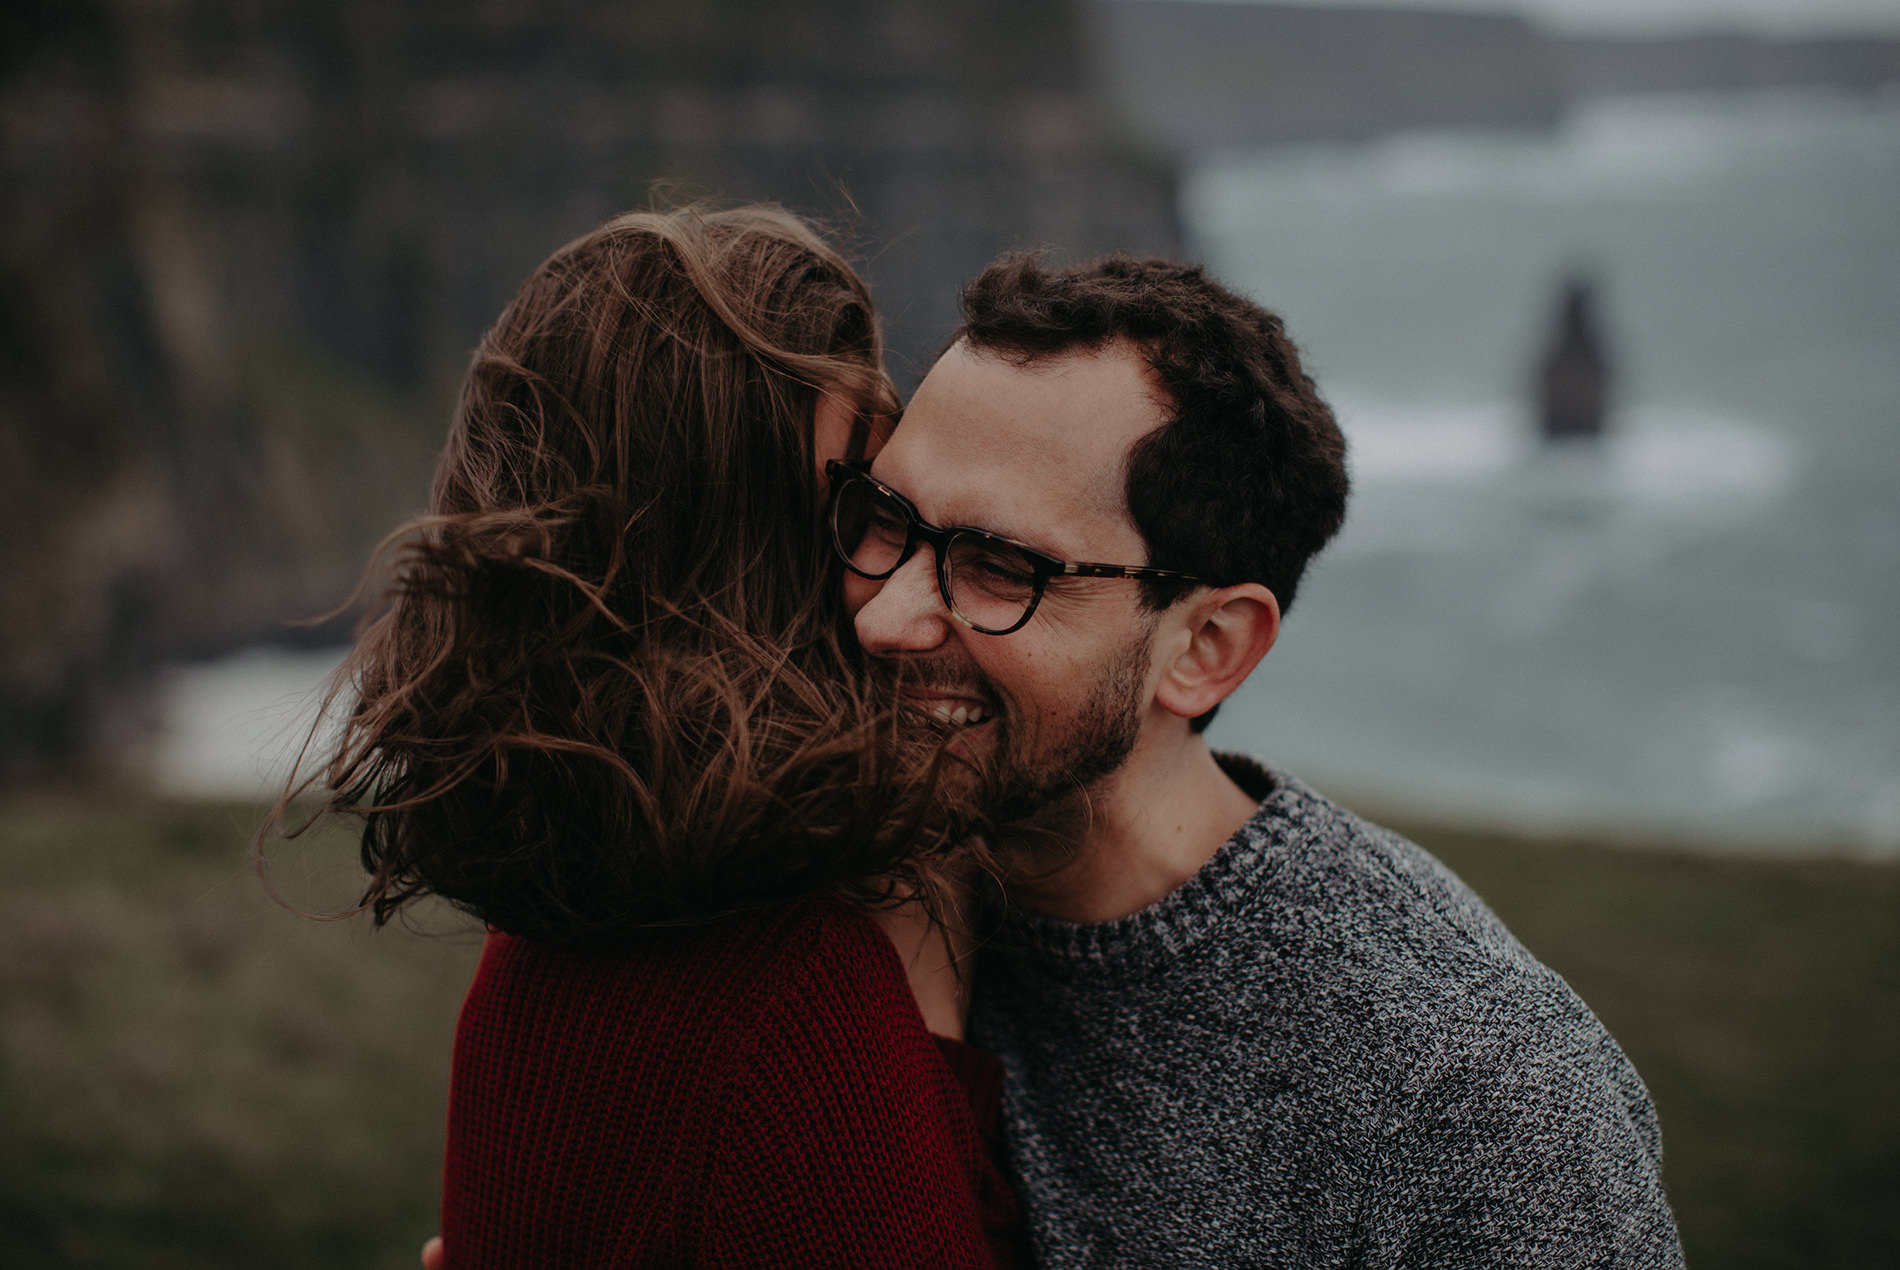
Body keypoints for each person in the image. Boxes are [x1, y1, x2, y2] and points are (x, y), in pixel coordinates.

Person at [832, 252, 1685, 1267]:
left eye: (998, 568)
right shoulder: (829, 882)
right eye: (883, 519)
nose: (884, 617)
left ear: (1207, 649)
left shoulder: (1477, 1099)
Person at [291, 206, 1028, 1267]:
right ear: (717, 570)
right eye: (850, 514)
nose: (897, 590)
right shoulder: (799, 1006)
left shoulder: (523, 967)